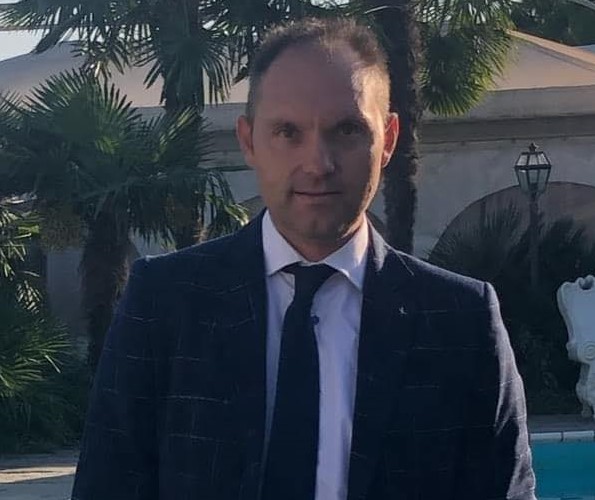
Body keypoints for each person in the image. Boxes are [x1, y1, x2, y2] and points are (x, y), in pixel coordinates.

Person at [71, 17, 536, 500]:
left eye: (347, 130)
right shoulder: (165, 303)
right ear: (249, 141)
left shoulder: (460, 321)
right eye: (288, 132)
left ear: (389, 139)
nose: (318, 164)